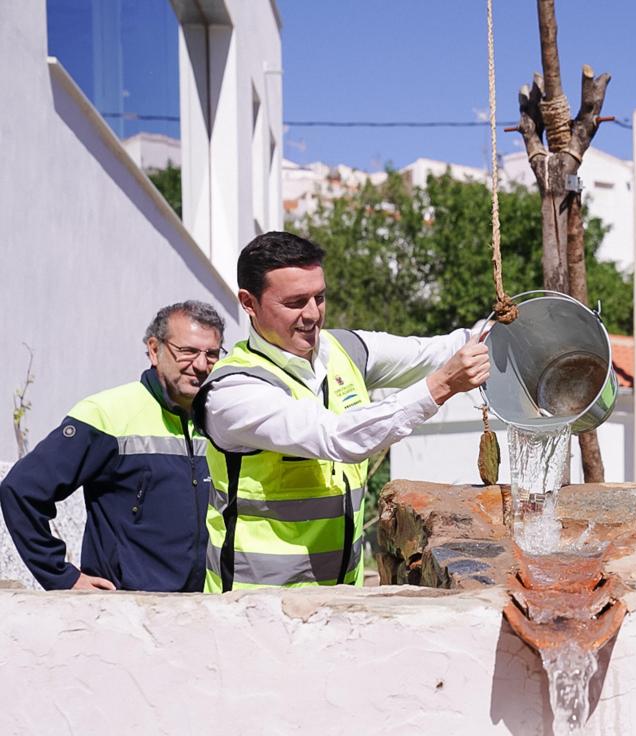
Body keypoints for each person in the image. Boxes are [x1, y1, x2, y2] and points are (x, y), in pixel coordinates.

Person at [194, 231, 490, 592]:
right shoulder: (232, 391)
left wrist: (504, 327)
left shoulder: (344, 349)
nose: (312, 315)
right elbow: (337, 436)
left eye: (319, 297)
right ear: (249, 302)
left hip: (339, 599)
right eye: (294, 302)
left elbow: (436, 351)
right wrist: (442, 385)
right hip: (255, 610)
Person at [0, 301, 225, 591]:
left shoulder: (221, 420)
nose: (201, 365)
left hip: (207, 612)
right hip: (126, 615)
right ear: (154, 350)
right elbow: (21, 490)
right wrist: (63, 578)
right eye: (188, 351)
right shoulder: (106, 413)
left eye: (212, 354)